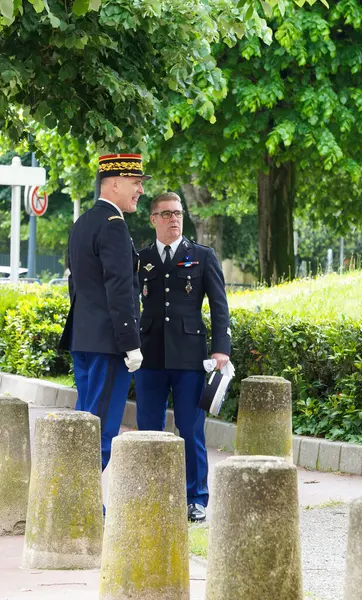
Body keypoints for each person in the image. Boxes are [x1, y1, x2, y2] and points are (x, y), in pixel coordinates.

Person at [134, 192, 231, 522]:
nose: (174, 219)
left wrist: (221, 349)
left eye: (177, 213)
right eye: (166, 214)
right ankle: (152, 492)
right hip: (149, 355)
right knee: (149, 428)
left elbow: (220, 307)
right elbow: (129, 303)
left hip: (190, 356)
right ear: (153, 219)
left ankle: (196, 497)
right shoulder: (142, 258)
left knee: (190, 429)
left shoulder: (202, 256)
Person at [59, 153, 151, 471]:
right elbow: (120, 290)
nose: (140, 190)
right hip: (108, 344)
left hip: (83, 339)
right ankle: (79, 512)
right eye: (136, 183)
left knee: (84, 426)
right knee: (99, 433)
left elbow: (76, 288)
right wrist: (130, 343)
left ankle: (72, 504)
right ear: (114, 184)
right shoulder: (112, 226)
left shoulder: (82, 223)